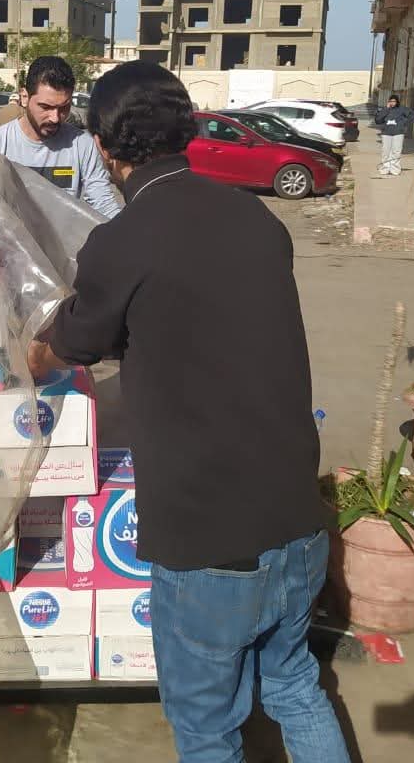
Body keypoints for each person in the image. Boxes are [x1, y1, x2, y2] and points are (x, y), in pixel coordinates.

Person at [26, 61, 350, 763]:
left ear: (104, 147)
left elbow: (75, 342)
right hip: (298, 523)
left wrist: (31, 357)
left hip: (209, 546)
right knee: (296, 686)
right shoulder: (256, 217)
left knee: (207, 729)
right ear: (186, 131)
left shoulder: (124, 239)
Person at [0, 56, 122, 219]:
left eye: (64, 108)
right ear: (24, 97)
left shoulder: (82, 145)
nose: (55, 118)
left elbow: (103, 203)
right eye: (45, 107)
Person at [375, 94, 413, 177]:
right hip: (386, 133)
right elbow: (378, 120)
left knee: (396, 151)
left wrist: (403, 123)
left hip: (398, 133)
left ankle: (395, 169)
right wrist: (386, 109)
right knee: (385, 151)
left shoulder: (402, 109)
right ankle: (385, 168)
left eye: (394, 101)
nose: (392, 103)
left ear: (397, 102)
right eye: (390, 101)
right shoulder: (385, 109)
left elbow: (411, 115)